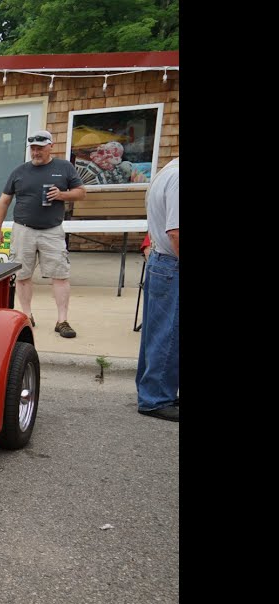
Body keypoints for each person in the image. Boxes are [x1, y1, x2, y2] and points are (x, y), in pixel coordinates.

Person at [0, 130, 87, 338]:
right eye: (33, 148)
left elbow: (81, 192)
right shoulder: (19, 171)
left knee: (60, 275)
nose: (36, 152)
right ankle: (27, 315)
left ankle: (62, 320)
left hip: (52, 230)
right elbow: (4, 201)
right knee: (23, 275)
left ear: (50, 146)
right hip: (22, 230)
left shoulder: (64, 167)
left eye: (40, 148)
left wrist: (62, 195)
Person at [136, 157, 179, 422]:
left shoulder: (168, 171)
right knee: (168, 334)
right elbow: (176, 232)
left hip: (162, 261)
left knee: (159, 332)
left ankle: (156, 392)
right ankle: (155, 398)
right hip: (171, 263)